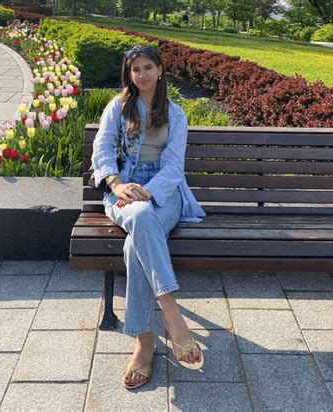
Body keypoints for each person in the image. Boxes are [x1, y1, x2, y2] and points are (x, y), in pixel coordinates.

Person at [91, 45, 206, 390]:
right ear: (129, 74)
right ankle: (172, 313)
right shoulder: (117, 107)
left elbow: (173, 166)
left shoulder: (175, 114)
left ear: (160, 71)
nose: (141, 75)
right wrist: (116, 184)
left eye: (147, 67)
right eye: (135, 69)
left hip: (164, 193)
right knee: (139, 215)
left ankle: (145, 342)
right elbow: (103, 149)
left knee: (133, 245)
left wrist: (150, 191)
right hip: (123, 189)